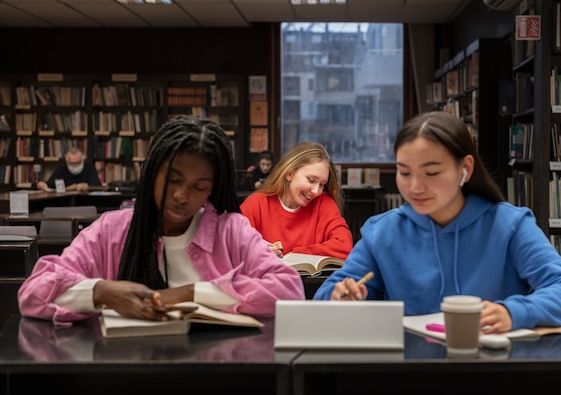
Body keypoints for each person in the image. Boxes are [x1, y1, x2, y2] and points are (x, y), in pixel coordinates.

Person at [313, 111, 561, 333]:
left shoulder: (509, 225)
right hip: (411, 370)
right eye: (404, 172)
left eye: (431, 173)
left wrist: (513, 312)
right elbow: (327, 295)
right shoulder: (382, 231)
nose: (415, 187)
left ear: (465, 169)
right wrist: (339, 297)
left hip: (494, 368)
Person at [18, 115, 305, 326]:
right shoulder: (112, 231)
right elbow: (32, 293)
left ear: (213, 188)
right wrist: (100, 291)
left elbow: (289, 291)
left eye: (199, 187)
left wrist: (191, 293)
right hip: (125, 372)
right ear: (151, 172)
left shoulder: (231, 230)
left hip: (215, 372)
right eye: (172, 180)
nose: (182, 196)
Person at [240, 141, 353, 259]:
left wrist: (294, 255)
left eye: (322, 184)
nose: (316, 191)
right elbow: (231, 245)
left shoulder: (323, 203)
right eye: (311, 180)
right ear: (289, 173)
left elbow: (344, 246)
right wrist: (257, 250)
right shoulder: (257, 204)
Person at [36, 147, 101, 192]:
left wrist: (88, 186)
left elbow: (98, 186)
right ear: (67, 162)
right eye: (72, 163)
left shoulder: (89, 168)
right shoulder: (61, 169)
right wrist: (41, 185)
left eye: (77, 163)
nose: (75, 166)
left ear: (82, 161)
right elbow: (49, 185)